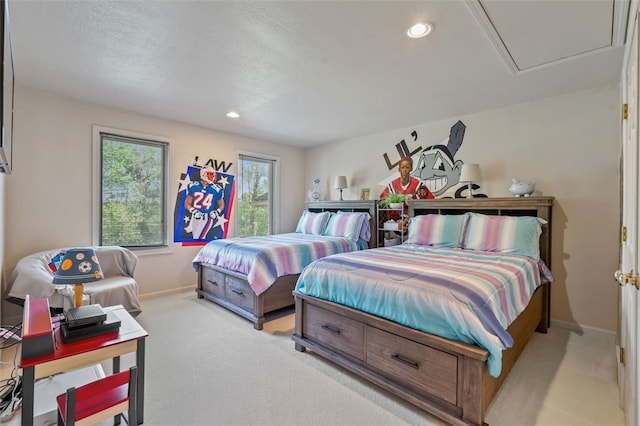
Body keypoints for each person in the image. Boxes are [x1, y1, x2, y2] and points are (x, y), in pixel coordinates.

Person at [184, 167, 226, 240]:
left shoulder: (217, 189)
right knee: (195, 237)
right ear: (203, 174)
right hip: (195, 216)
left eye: (213, 175)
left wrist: (216, 212)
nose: (212, 177)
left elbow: (222, 205)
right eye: (210, 174)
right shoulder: (193, 186)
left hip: (207, 217)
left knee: (199, 237)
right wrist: (193, 211)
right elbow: (187, 203)